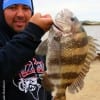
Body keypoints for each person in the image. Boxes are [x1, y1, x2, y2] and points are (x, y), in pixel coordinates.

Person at [0, 0, 53, 100]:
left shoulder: (37, 42)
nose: (20, 14)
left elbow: (45, 83)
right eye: (12, 7)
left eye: (25, 8)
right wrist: (32, 33)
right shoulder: (32, 37)